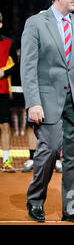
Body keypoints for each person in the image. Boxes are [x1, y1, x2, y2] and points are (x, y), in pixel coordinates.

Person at [21, 0, 74, 223]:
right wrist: (33, 101)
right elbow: (28, 65)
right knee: (50, 150)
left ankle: (73, 209)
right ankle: (35, 200)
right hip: (46, 100)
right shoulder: (35, 23)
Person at [0, 11, 18, 172]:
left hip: (3, 90)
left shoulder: (8, 42)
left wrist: (3, 73)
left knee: (5, 126)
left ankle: (6, 160)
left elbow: (15, 63)